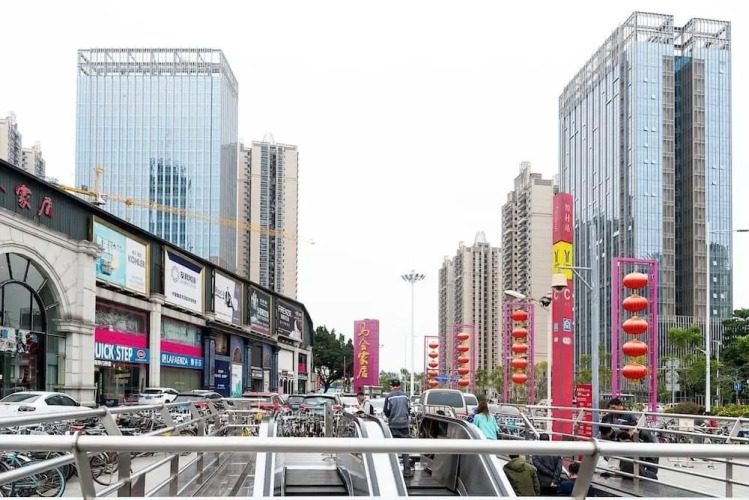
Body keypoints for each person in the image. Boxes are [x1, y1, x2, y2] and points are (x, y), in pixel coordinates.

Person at [384, 380, 413, 477]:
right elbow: (409, 409)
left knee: (391, 448)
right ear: (399, 386)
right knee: (405, 448)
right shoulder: (406, 396)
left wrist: (391, 417)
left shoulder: (389, 397)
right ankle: (407, 471)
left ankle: (391, 471)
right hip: (404, 425)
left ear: (392, 386)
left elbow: (386, 411)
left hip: (393, 425)